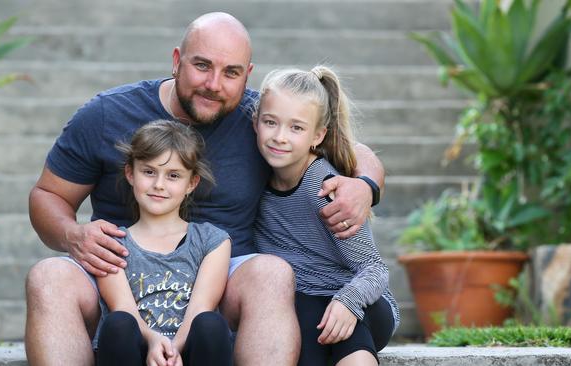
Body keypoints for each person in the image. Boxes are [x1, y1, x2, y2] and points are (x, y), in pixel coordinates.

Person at [25, 12, 385, 366]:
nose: (214, 83)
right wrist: (72, 234)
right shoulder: (106, 114)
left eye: (231, 73)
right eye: (202, 66)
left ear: (247, 76)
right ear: (177, 61)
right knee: (48, 277)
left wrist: (364, 185)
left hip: (224, 279)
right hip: (116, 271)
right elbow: (48, 194)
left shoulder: (261, 120)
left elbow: (356, 151)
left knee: (272, 273)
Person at [252, 66, 399, 366]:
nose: (280, 137)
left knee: (326, 318)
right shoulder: (252, 177)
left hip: (363, 303)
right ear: (255, 122)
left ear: (317, 135)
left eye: (296, 128)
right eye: (271, 122)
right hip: (304, 306)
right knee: (303, 316)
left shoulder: (324, 188)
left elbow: (374, 269)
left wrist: (348, 302)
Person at [94, 120, 232, 366]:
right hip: (134, 352)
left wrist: (174, 348)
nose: (159, 184)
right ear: (130, 173)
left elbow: (201, 306)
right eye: (149, 172)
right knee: (119, 323)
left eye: (173, 176)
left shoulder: (212, 241)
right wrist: (154, 341)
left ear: (191, 183)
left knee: (211, 324)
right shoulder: (111, 243)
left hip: (189, 353)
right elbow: (123, 306)